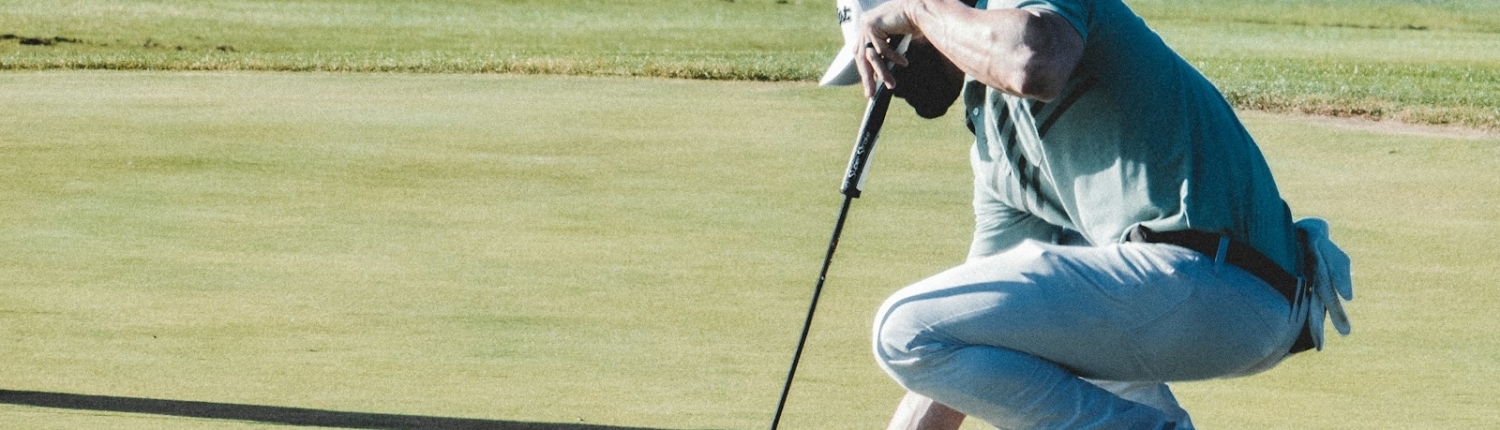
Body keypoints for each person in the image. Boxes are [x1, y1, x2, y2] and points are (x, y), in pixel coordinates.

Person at [817, 0, 1355, 428]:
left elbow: (1034, 64)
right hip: (1210, 296)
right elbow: (972, 326)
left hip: (1214, 275)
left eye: (888, 55)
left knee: (898, 328)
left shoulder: (1026, 18)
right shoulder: (992, 136)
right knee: (953, 328)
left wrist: (918, 9)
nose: (886, 85)